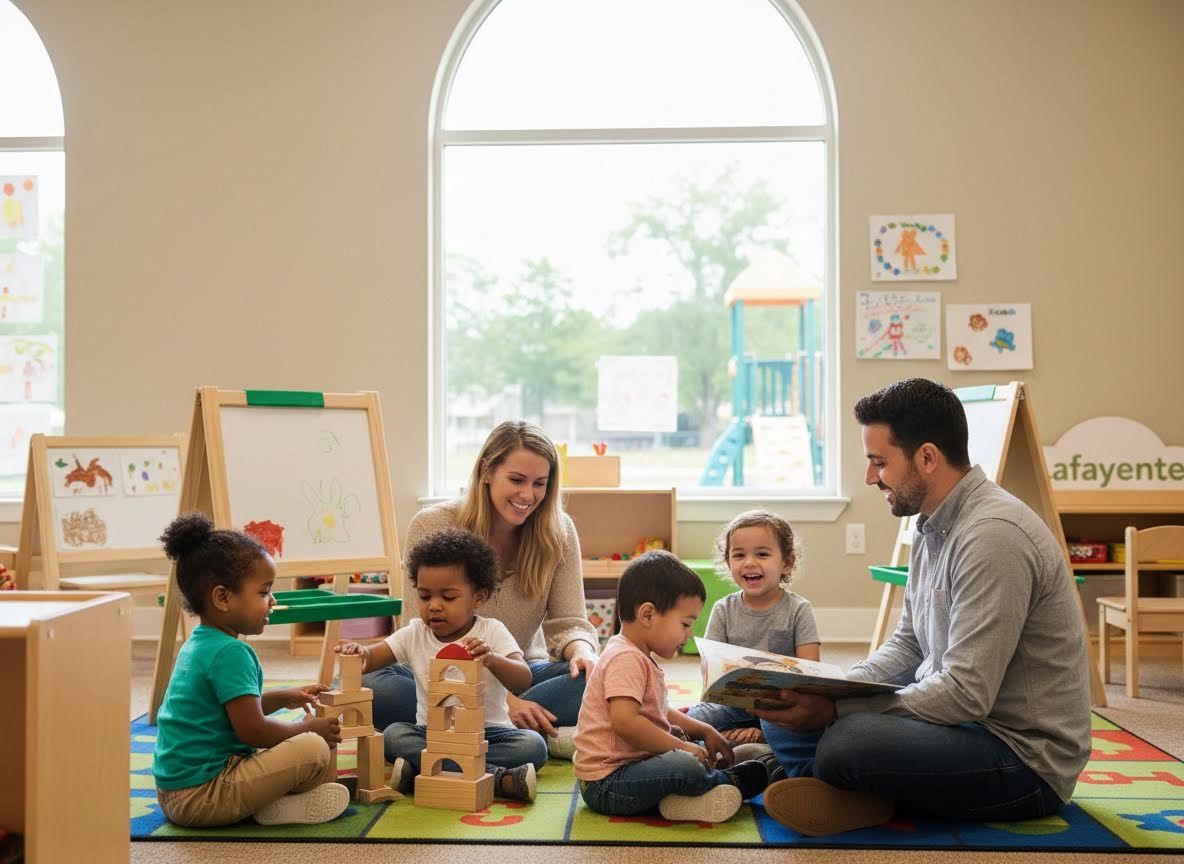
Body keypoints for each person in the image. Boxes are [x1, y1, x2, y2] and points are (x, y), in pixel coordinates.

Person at [754, 378, 1092, 836]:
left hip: (1021, 761)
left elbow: (967, 693)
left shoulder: (993, 537)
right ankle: (844, 792)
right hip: (957, 728)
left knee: (847, 741)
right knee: (784, 702)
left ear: (927, 458)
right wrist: (833, 690)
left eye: (879, 462)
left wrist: (839, 713)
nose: (871, 478)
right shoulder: (933, 524)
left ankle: (831, 782)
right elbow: (909, 643)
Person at [365, 421, 599, 757]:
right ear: (487, 471)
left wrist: (582, 652)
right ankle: (513, 733)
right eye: (516, 480)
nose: (527, 495)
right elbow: (418, 626)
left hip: (514, 670)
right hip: (436, 676)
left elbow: (569, 622)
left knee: (598, 678)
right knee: (373, 685)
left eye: (539, 484)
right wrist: (506, 704)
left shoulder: (558, 532)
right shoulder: (433, 524)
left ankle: (445, 739)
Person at [152, 512, 349, 827]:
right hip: (204, 796)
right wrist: (307, 730)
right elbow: (253, 730)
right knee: (312, 748)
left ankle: (275, 802)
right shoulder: (232, 653)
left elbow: (231, 710)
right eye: (263, 591)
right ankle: (279, 807)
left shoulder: (201, 642)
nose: (272, 600)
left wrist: (284, 697)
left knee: (297, 738)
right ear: (223, 597)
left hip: (175, 793)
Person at [339, 527, 547, 801]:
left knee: (533, 746)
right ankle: (497, 778)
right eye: (425, 597)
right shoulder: (415, 633)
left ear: (479, 598)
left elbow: (523, 679)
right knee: (393, 736)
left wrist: (492, 660)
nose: (434, 606)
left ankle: (423, 773)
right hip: (431, 734)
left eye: (448, 597)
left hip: (490, 733)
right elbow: (372, 659)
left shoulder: (492, 631)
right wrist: (358, 652)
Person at [573, 550, 772, 823]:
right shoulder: (625, 658)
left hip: (630, 769)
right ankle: (725, 781)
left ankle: (682, 799)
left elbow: (660, 711)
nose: (688, 634)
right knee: (684, 763)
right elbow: (626, 723)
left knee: (687, 744)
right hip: (607, 784)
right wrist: (680, 747)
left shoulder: (637, 655)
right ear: (647, 614)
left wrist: (703, 729)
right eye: (685, 624)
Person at [683, 510, 822, 776]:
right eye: (739, 555)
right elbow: (710, 675)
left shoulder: (798, 609)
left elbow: (811, 675)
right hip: (731, 705)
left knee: (808, 730)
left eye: (762, 554)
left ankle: (757, 751)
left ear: (787, 562)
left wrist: (764, 723)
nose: (749, 562)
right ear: (728, 562)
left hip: (781, 706)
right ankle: (738, 747)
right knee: (689, 722)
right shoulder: (724, 609)